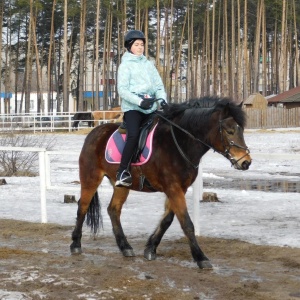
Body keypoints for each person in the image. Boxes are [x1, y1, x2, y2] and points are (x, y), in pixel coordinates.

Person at [116, 29, 167, 187]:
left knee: (164, 131)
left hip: (151, 107)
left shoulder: (148, 65)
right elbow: (122, 90)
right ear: (129, 46)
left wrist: (162, 100)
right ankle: (122, 171)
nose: (140, 47)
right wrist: (139, 102)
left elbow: (158, 86)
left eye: (142, 44)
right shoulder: (125, 66)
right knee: (134, 135)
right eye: (137, 44)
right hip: (133, 108)